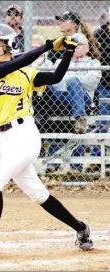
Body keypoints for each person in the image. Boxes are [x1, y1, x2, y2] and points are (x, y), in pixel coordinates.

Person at [0, 23, 93, 259]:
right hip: (3, 139)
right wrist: (47, 46)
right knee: (39, 194)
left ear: (9, 44)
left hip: (25, 135)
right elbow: (17, 62)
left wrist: (67, 51)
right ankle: (81, 228)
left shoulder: (27, 73)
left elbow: (56, 76)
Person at [45, 33, 101, 173]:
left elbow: (91, 83)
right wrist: (72, 81)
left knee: (73, 82)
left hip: (84, 99)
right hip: (61, 99)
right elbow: (54, 82)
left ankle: (79, 118)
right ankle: (53, 164)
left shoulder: (94, 63)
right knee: (48, 85)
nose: (76, 47)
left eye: (80, 44)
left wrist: (71, 81)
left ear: (87, 47)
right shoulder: (59, 62)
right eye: (73, 45)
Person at [86, 7, 110, 172]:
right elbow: (97, 55)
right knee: (103, 123)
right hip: (105, 85)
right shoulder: (99, 34)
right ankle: (97, 159)